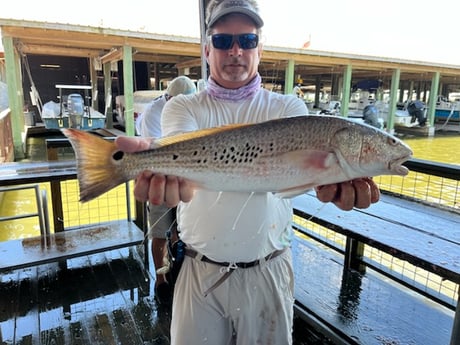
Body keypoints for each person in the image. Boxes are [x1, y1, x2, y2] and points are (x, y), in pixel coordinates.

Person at [115, 0, 380, 343]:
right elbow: (182, 146)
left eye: (247, 41)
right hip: (199, 270)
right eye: (224, 41)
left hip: (269, 270)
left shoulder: (288, 108)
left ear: (260, 49)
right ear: (208, 50)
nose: (236, 50)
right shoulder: (183, 106)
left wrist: (332, 179)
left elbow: (303, 175)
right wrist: (158, 168)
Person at [137, 76, 196, 305]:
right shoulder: (154, 112)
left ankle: (174, 272)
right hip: (158, 178)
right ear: (167, 97)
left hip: (185, 177)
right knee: (160, 232)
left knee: (178, 233)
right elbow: (159, 148)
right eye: (175, 101)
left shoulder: (193, 108)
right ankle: (160, 280)